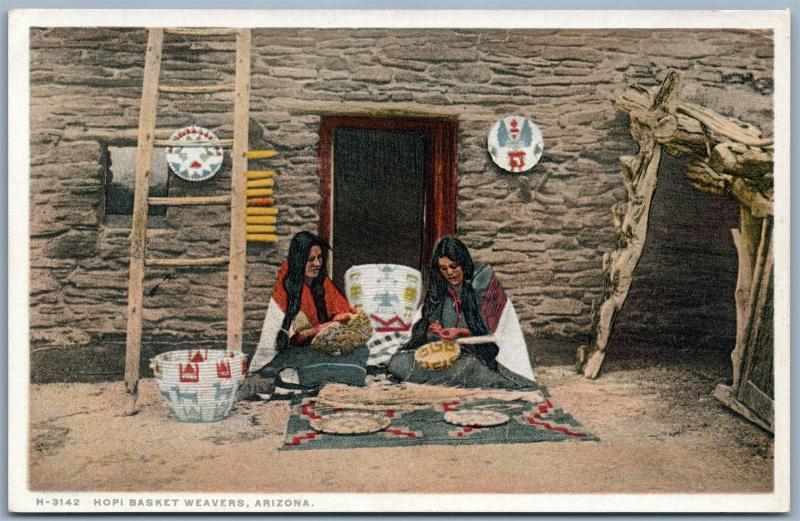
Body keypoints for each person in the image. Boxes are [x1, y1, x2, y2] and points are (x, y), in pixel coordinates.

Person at [388, 236, 536, 389]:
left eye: (454, 266)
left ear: (463, 264)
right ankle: (455, 380)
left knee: (470, 365)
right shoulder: (439, 290)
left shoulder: (479, 286)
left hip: (473, 355)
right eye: (443, 269)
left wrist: (460, 332)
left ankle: (469, 379)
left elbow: (492, 332)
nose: (449, 273)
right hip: (445, 357)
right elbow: (429, 322)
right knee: (398, 363)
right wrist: (435, 328)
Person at [237, 231, 368, 400]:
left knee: (362, 351)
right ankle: (279, 380)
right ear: (299, 260)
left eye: (320, 258)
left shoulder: (321, 281)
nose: (317, 264)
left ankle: (318, 378)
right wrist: (324, 328)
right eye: (310, 259)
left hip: (317, 348)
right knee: (346, 371)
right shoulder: (289, 286)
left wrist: (348, 318)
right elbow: (297, 337)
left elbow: (341, 311)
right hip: (290, 353)